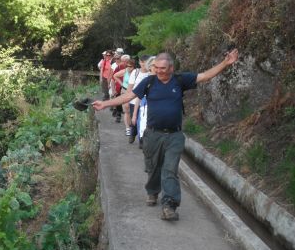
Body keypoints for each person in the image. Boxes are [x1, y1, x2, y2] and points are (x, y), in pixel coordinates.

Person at [92, 49, 239, 221]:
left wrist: (225, 63)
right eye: (156, 67)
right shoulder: (149, 82)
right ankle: (153, 191)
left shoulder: (180, 80)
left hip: (174, 136)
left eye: (162, 68)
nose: (158, 71)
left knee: (170, 170)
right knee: (153, 167)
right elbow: (128, 96)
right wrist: (105, 104)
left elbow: (205, 76)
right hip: (153, 135)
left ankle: (169, 205)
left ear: (171, 67)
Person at [127, 55, 152, 144]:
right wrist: (127, 99)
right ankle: (133, 133)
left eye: (146, 62)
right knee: (134, 119)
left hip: (146, 102)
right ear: (140, 62)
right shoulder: (135, 72)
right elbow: (130, 87)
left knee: (143, 120)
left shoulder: (151, 73)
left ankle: (142, 139)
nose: (144, 64)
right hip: (134, 100)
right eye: (142, 62)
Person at [113, 58, 135, 135]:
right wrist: (121, 84)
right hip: (125, 91)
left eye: (131, 66)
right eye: (128, 66)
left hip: (134, 93)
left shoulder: (136, 73)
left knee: (134, 110)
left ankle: (133, 126)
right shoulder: (124, 71)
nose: (129, 68)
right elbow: (115, 75)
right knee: (126, 109)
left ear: (134, 66)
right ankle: (127, 128)